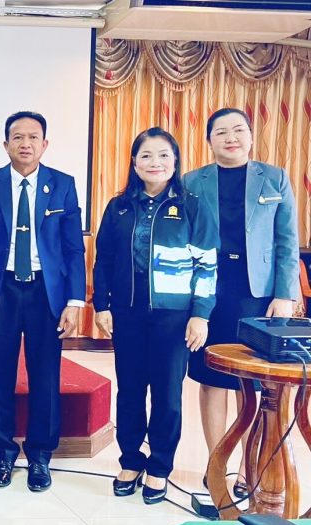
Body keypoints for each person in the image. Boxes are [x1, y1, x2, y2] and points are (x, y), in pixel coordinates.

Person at [93, 127, 217, 504]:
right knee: (130, 391)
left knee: (167, 395)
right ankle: (130, 461)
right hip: (127, 313)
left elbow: (207, 265)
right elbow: (103, 260)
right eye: (146, 155)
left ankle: (160, 466)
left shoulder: (192, 205)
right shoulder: (119, 207)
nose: (155, 163)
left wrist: (200, 314)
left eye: (163, 155)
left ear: (175, 161)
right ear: (134, 163)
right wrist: (102, 305)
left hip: (174, 318)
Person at [0, 111, 86, 492]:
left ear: (45, 144)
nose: (26, 144)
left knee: (45, 375)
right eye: (18, 137)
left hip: (45, 292)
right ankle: (2, 452)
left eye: (34, 137)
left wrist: (74, 301)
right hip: (0, 289)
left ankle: (40, 455)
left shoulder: (63, 185)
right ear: (6, 145)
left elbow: (73, 249)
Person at [184, 108, 299, 497]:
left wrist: (285, 294)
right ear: (209, 141)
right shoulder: (192, 181)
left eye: (238, 130)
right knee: (211, 377)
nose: (230, 138)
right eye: (221, 132)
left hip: (258, 294)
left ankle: (249, 466)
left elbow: (287, 241)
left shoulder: (275, 178)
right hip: (208, 290)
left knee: (250, 383)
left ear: (250, 136)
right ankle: (215, 464)